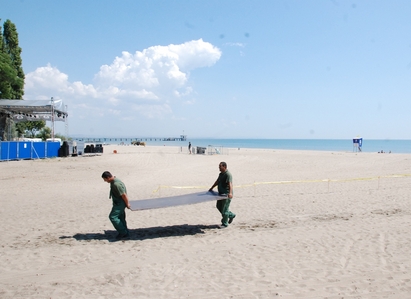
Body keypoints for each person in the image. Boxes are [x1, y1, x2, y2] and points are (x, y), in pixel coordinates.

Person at [101, 171, 131, 239]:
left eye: (105, 179)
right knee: (121, 217)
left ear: (108, 177)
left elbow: (123, 195)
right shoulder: (114, 180)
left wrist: (127, 204)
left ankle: (123, 232)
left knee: (113, 217)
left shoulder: (116, 184)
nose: (105, 181)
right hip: (118, 202)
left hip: (120, 203)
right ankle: (125, 232)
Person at [209, 162, 236, 228]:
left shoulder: (228, 174)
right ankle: (231, 215)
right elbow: (217, 181)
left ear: (224, 167)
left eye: (220, 167)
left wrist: (230, 193)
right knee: (218, 206)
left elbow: (230, 184)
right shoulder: (221, 174)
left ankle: (225, 223)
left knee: (225, 209)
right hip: (220, 194)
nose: (219, 168)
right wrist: (212, 188)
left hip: (226, 194)